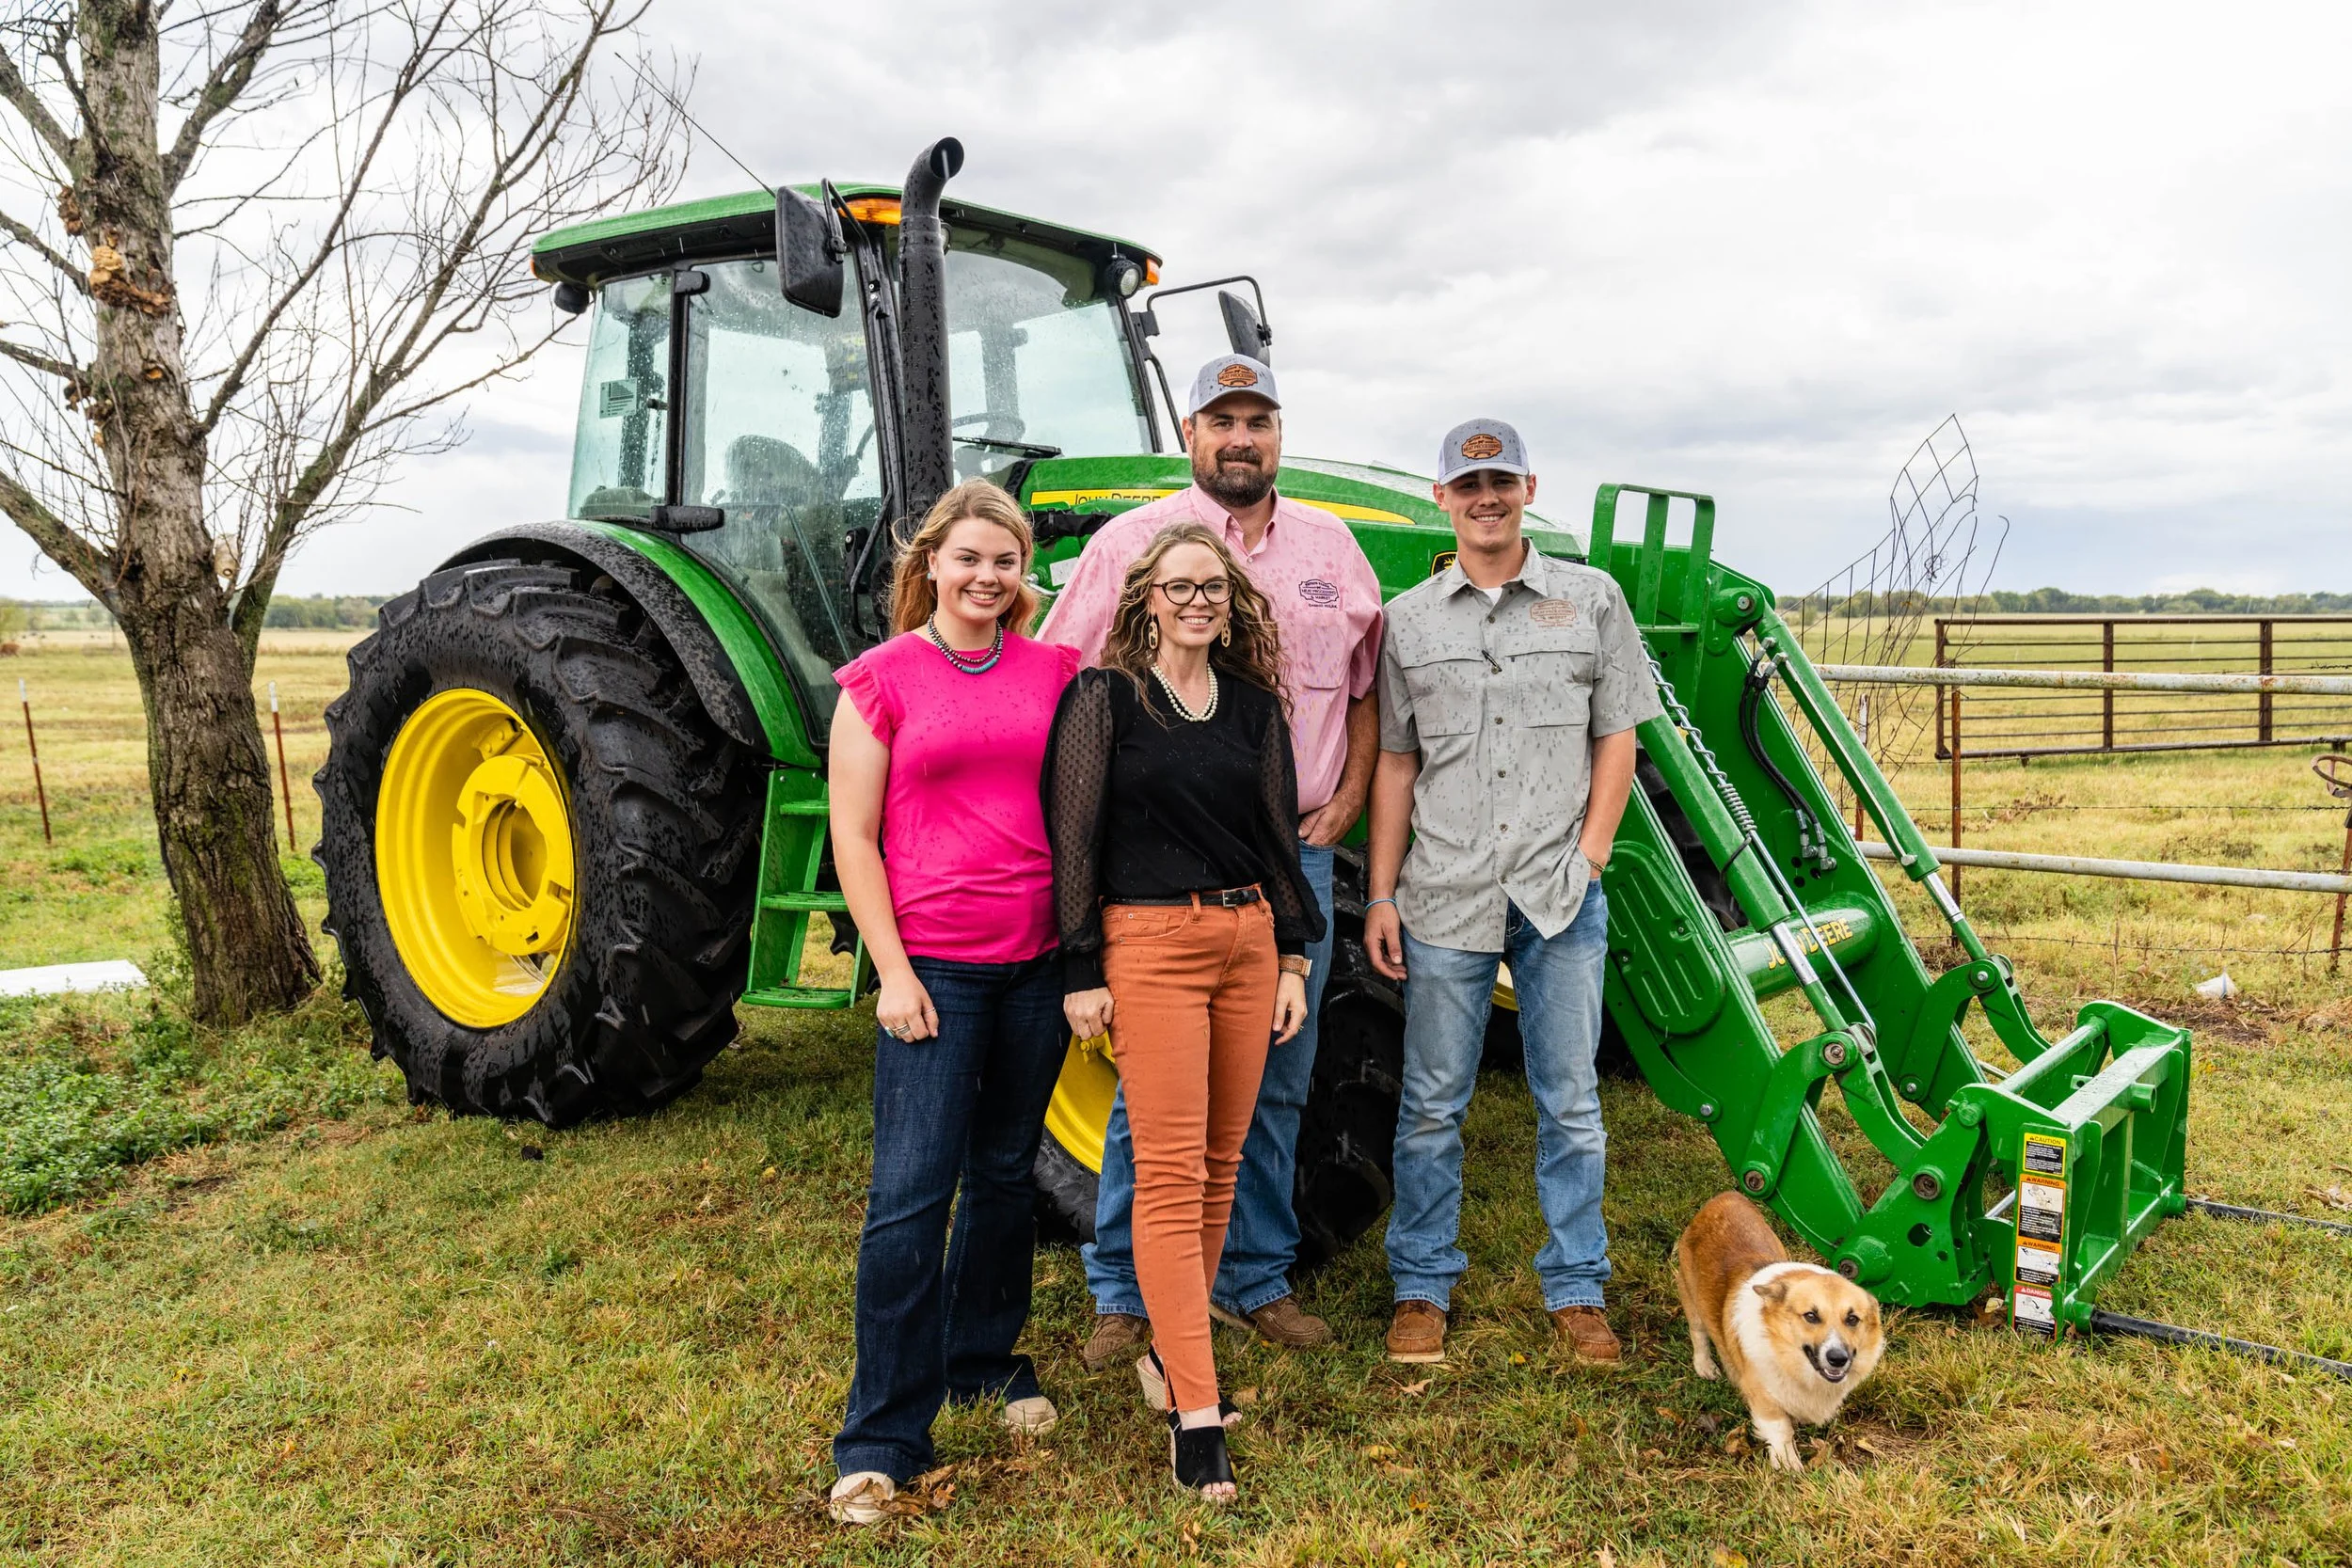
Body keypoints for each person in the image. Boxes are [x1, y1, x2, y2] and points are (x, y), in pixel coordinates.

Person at [1041, 354, 1381, 1367]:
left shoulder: (1332, 548)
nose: (1241, 438)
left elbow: (1364, 693)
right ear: (1190, 433)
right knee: (1156, 1091)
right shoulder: (1126, 546)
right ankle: (1123, 1289)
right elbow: (1068, 694)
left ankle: (1253, 1273)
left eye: (1259, 420)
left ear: (1280, 435)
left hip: (1286, 859)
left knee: (1278, 1075)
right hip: (1153, 873)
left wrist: (1353, 795)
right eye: (1221, 419)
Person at [1363, 419, 1663, 1367]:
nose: (1485, 497)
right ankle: (1420, 1283)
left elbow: (1617, 734)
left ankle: (1576, 1286)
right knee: (1429, 1100)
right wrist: (1378, 893)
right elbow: (1395, 764)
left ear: (1527, 486)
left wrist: (1593, 853)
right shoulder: (1408, 620)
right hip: (1444, 890)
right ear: (1441, 497)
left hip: (1557, 893)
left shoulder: (1589, 601)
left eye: (1500, 480)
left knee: (1569, 1099)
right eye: (1467, 483)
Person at [1043, 521, 1326, 1501]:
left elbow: (1277, 839)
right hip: (1149, 944)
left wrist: (1293, 951)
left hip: (1248, 942)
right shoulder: (1103, 699)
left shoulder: (1253, 708)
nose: (1197, 600)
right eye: (1179, 586)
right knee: (1167, 1173)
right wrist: (1083, 965)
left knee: (1217, 1164)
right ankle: (1196, 1413)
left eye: (1213, 586)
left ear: (1232, 601)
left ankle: (1170, 1357)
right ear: (1146, 600)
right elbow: (1072, 839)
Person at [826, 479, 1084, 1526]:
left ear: (1025, 574)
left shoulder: (1058, 671)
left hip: (1034, 964)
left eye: (1005, 561)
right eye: (968, 557)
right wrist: (891, 970)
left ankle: (984, 1360)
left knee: (1006, 1176)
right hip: (932, 968)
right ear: (930, 562)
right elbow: (853, 835)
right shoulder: (881, 679)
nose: (986, 576)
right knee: (909, 1194)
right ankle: (883, 1427)